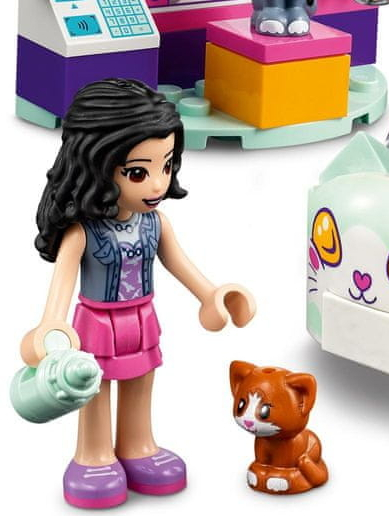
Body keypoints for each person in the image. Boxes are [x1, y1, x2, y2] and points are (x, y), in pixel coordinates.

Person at [20, 79, 256, 509]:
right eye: (138, 173)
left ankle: (137, 446)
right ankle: (93, 455)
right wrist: (51, 325)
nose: (157, 185)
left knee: (141, 382)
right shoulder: (82, 232)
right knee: (92, 387)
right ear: (96, 166)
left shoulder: (155, 224)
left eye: (166, 166)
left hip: (142, 317)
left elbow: (182, 266)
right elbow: (61, 288)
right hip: (96, 322)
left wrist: (212, 295)